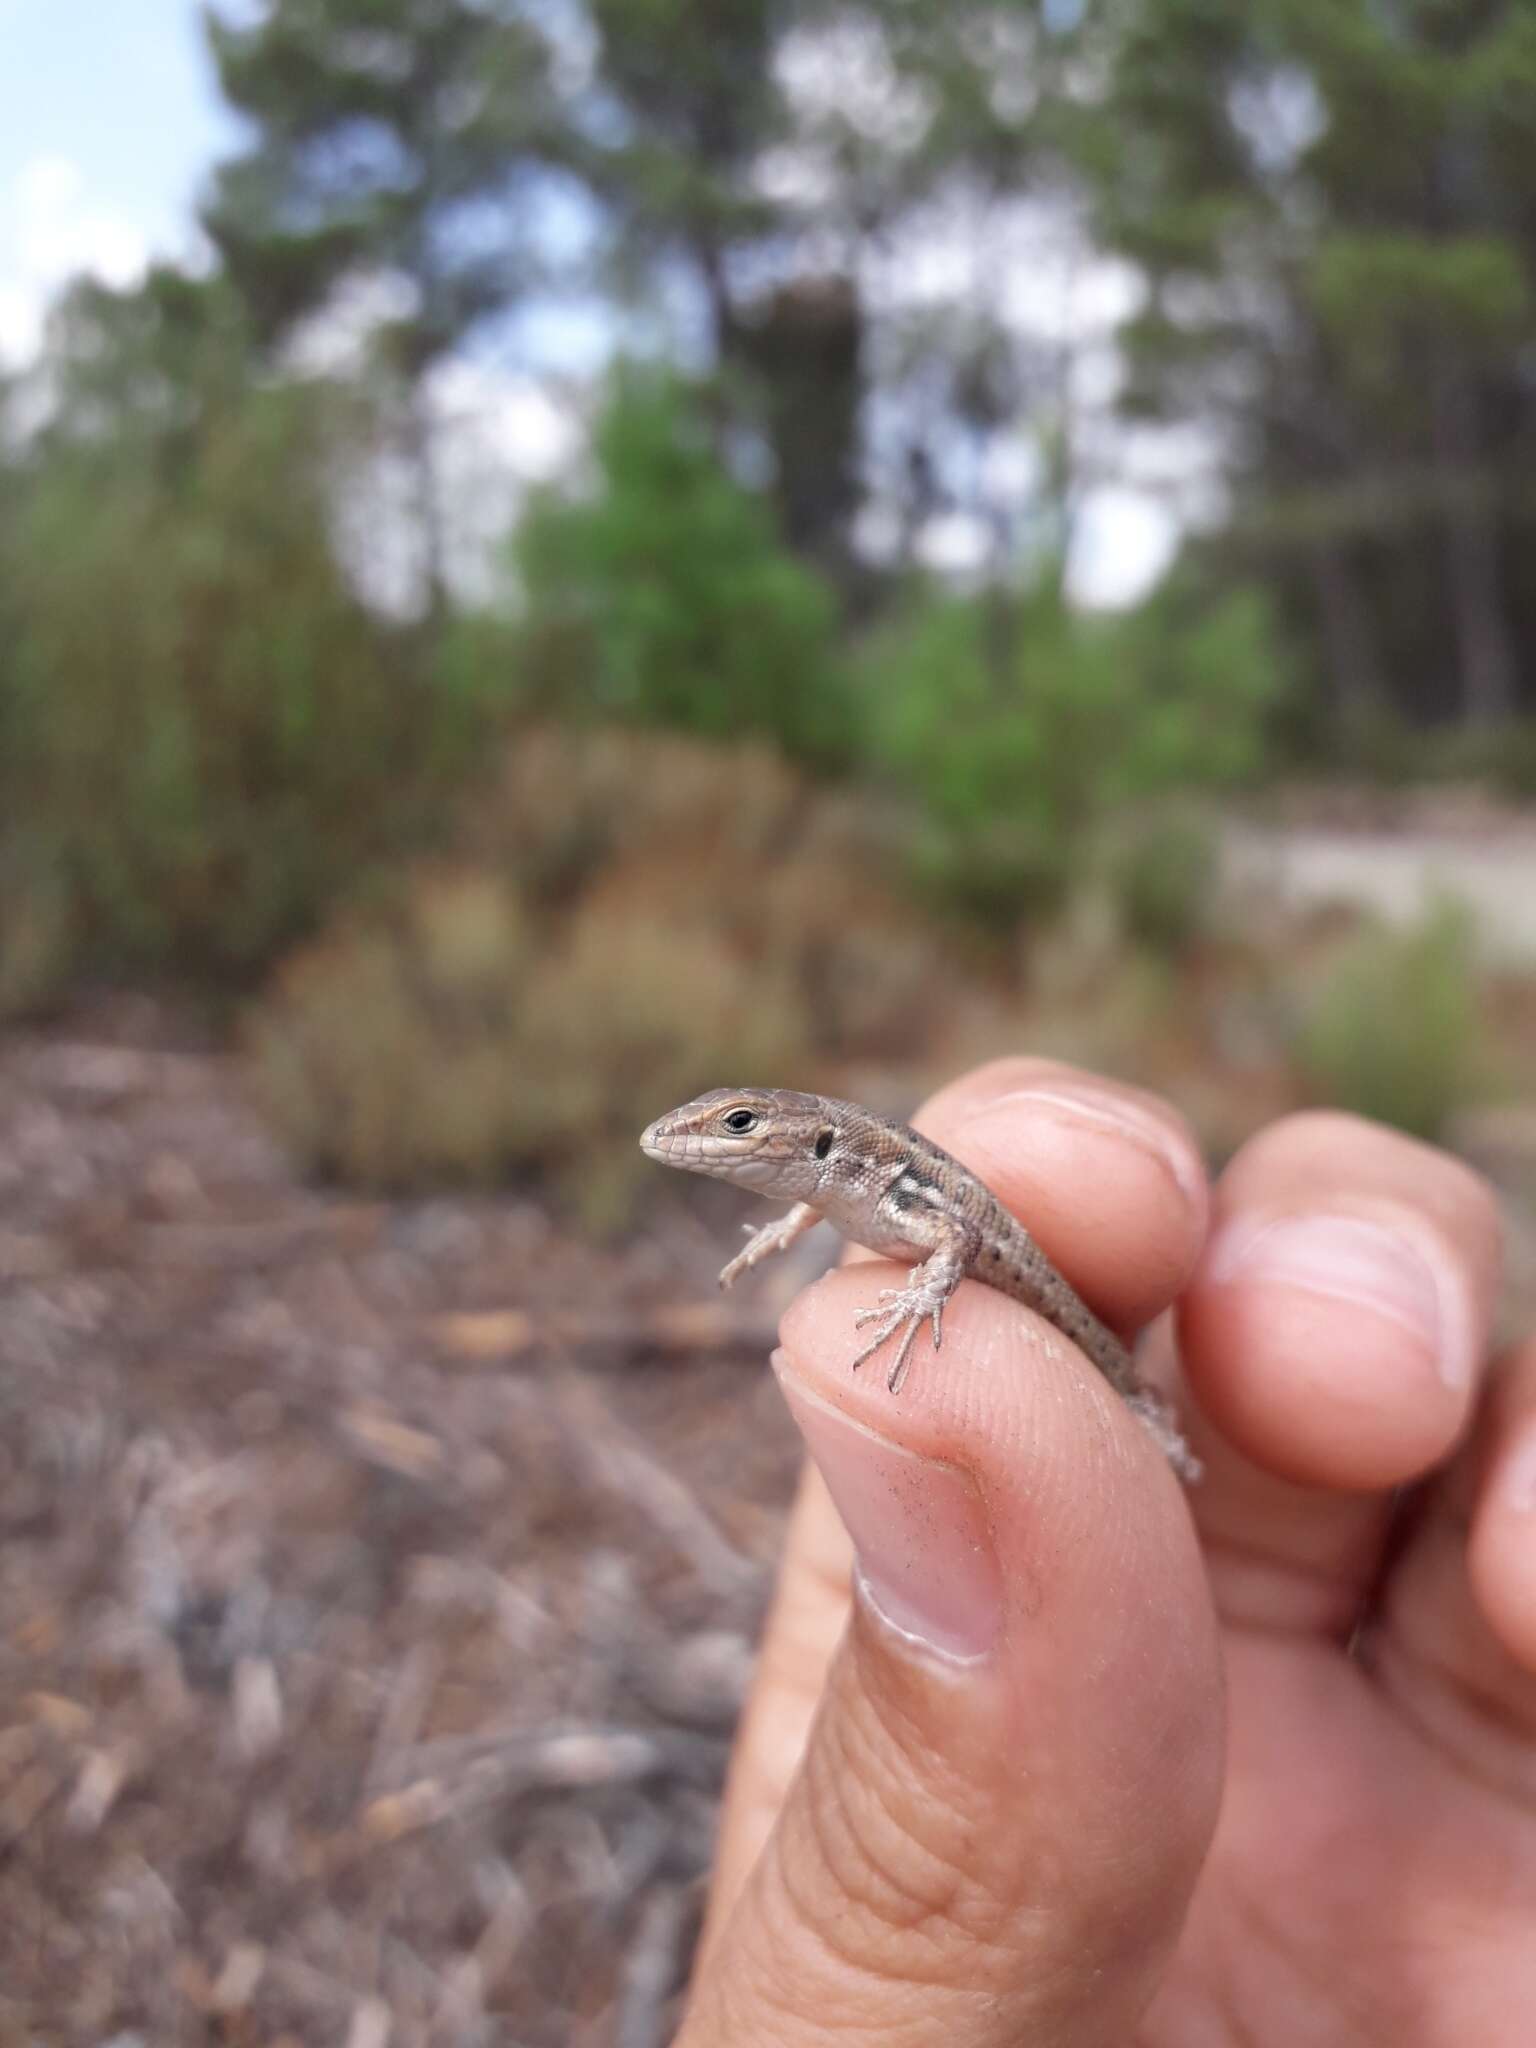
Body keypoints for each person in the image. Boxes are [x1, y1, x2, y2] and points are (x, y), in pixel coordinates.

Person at [674, 1060, 1534, 2045]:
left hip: (1064, 1322)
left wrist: (921, 1298)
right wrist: (783, 1231)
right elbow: (832, 1212)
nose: (711, 1141)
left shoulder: (886, 1176)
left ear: (818, 1140)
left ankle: (1160, 1425)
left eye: (738, 1126)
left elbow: (950, 1236)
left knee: (1114, 1371)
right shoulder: (840, 1179)